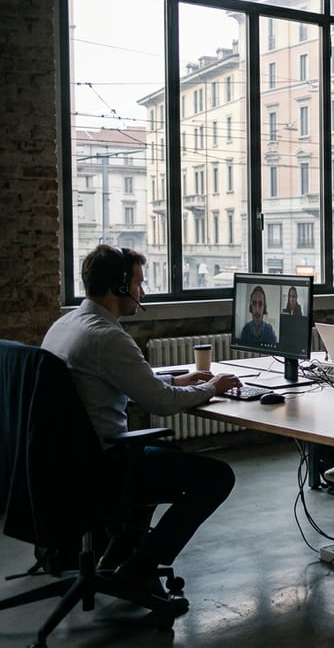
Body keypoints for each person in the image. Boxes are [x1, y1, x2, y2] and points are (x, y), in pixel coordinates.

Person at [41, 245, 241, 599]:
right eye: (138, 283)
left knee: (159, 455)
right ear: (119, 287)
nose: (142, 292)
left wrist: (178, 381)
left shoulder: (67, 324)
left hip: (65, 464)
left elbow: (129, 383)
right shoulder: (109, 338)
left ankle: (116, 558)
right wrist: (211, 385)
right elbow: (160, 405)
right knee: (216, 477)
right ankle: (141, 568)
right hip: (102, 466)